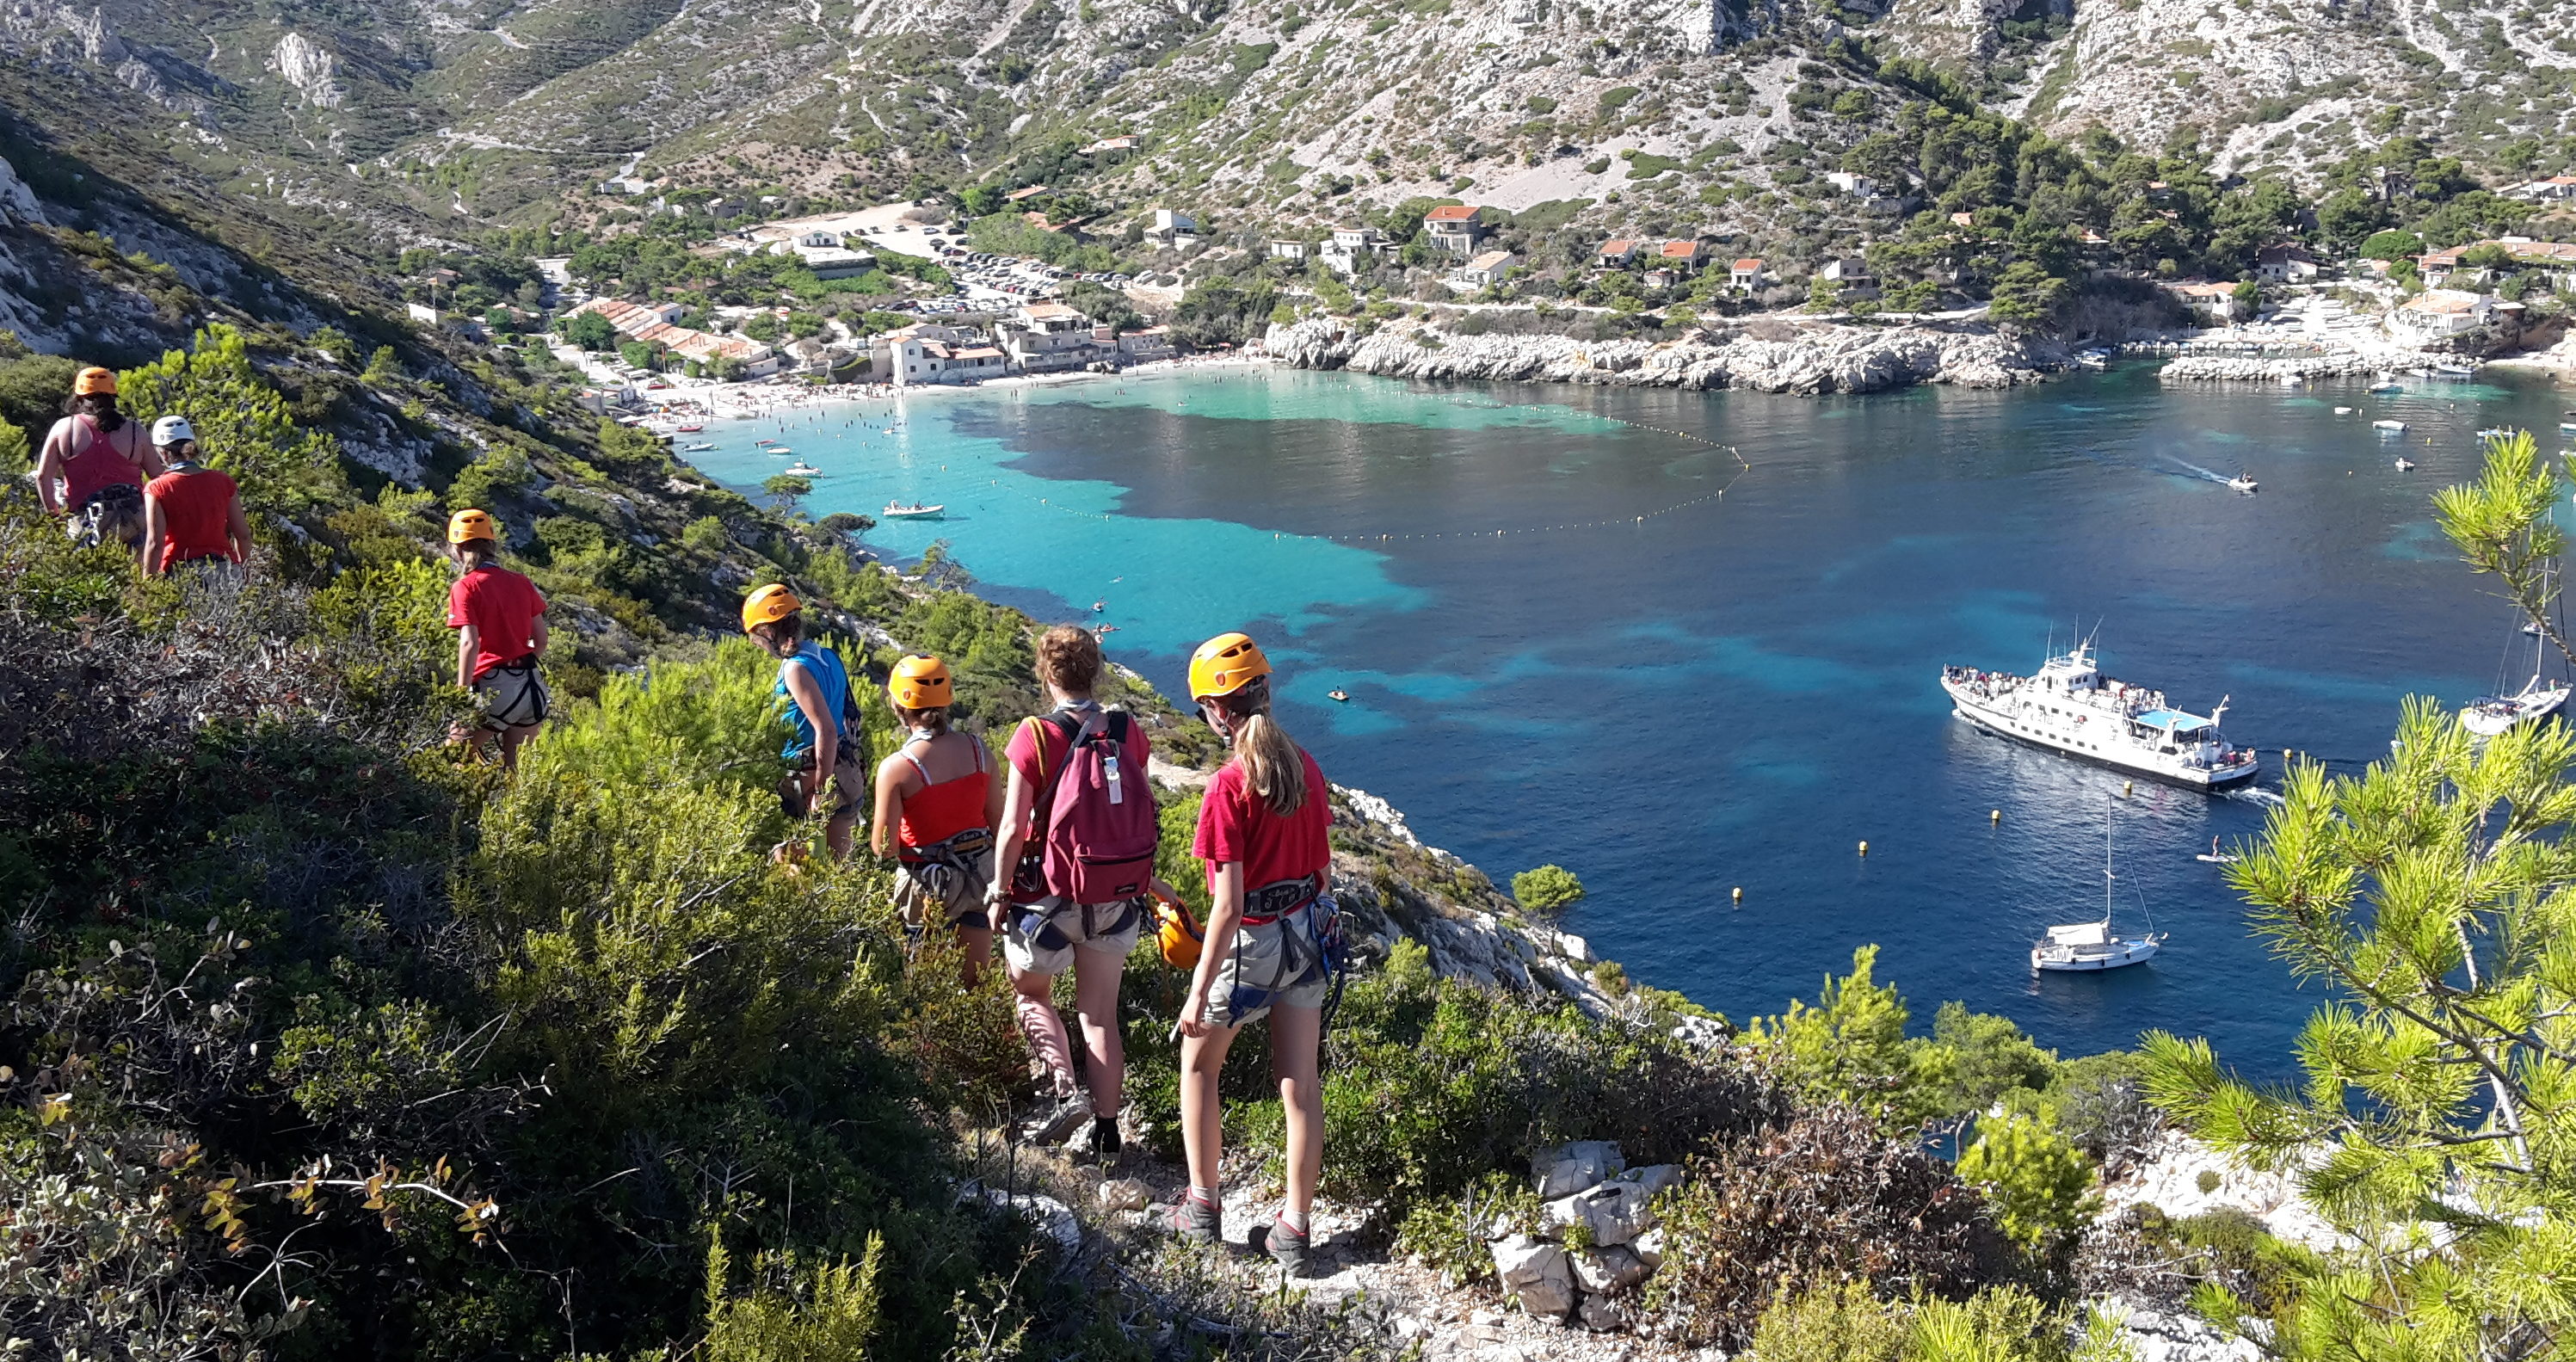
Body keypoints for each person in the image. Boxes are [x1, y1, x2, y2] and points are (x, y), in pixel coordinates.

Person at [1168, 632, 1336, 1277]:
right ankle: (1294, 1229)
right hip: (1306, 937)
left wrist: (1195, 989)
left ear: (1217, 709)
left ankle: (1202, 1206)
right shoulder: (1306, 767)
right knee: (1300, 1081)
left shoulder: (1228, 787)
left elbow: (1228, 906)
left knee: (1198, 1067)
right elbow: (1322, 875)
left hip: (1253, 943)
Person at [984, 625, 1164, 1152]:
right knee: (1099, 1014)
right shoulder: (1128, 731)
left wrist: (998, 891)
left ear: (1046, 674)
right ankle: (1109, 1132)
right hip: (1115, 894)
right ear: (1097, 671)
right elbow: (1130, 813)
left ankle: (1065, 1091)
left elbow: (1014, 827)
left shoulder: (1034, 736)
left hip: (1047, 897)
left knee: (1030, 991)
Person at [872, 653, 1004, 983]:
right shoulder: (980, 752)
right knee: (975, 985)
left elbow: (883, 848)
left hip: (927, 886)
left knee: (922, 984)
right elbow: (1000, 825)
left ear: (899, 708)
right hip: (981, 878)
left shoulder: (898, 768)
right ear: (947, 701)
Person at [743, 583, 866, 859]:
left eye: (756, 638)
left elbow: (826, 730)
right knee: (838, 867)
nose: (757, 645)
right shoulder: (828, 657)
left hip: (811, 776)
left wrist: (820, 789)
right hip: (847, 772)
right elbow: (846, 716)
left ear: (767, 631)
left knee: (793, 865)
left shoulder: (794, 669)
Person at [444, 509, 549, 770]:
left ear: (457, 550)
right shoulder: (521, 582)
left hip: (494, 687)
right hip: (532, 688)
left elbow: (469, 643)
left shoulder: (466, 587)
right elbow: (542, 640)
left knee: (450, 762)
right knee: (516, 777)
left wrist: (460, 692)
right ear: (492, 545)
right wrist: (517, 661)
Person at [34, 367, 164, 556]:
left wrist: (55, 518)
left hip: (85, 522)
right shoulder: (135, 432)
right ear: (113, 396)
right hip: (134, 522)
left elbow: (42, 478)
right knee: (137, 581)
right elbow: (158, 479)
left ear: (79, 397)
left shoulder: (64, 429)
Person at [139, 416, 250, 580]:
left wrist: (146, 586)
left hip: (181, 572)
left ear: (163, 452)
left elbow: (155, 544)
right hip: (225, 570)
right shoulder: (223, 481)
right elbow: (243, 535)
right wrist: (245, 573)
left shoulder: (157, 488)